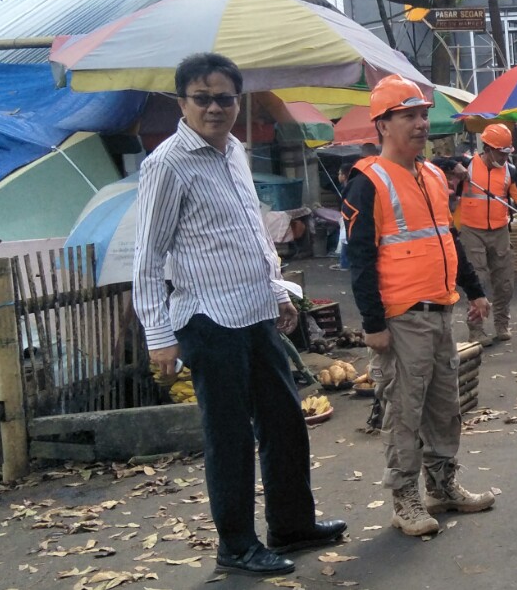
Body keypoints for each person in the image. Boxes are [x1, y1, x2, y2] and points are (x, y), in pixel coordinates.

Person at [134, 53, 345, 577]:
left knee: (284, 422)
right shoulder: (167, 164)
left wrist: (277, 293)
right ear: (181, 102)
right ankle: (236, 544)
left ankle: (291, 524)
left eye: (225, 98)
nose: (214, 108)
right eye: (202, 98)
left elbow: (252, 231)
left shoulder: (234, 152)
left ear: (237, 101)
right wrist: (159, 335)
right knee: (229, 438)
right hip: (206, 320)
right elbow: (148, 257)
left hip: (253, 313)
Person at [343, 75, 496, 537]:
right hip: (400, 316)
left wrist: (474, 290)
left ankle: (443, 485)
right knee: (403, 411)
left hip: (440, 310)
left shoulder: (431, 175)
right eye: (408, 115)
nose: (420, 123)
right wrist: (373, 323)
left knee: (445, 405)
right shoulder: (367, 182)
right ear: (382, 124)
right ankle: (405, 498)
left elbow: (446, 238)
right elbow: (361, 258)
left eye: (423, 114)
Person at [457, 123, 517, 345]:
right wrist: (452, 167)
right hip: (471, 231)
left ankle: (501, 324)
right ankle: (476, 330)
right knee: (476, 281)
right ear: (487, 148)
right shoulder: (466, 166)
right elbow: (440, 174)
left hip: (499, 231)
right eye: (501, 152)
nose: (504, 157)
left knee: (504, 282)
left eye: (507, 153)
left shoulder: (510, 171)